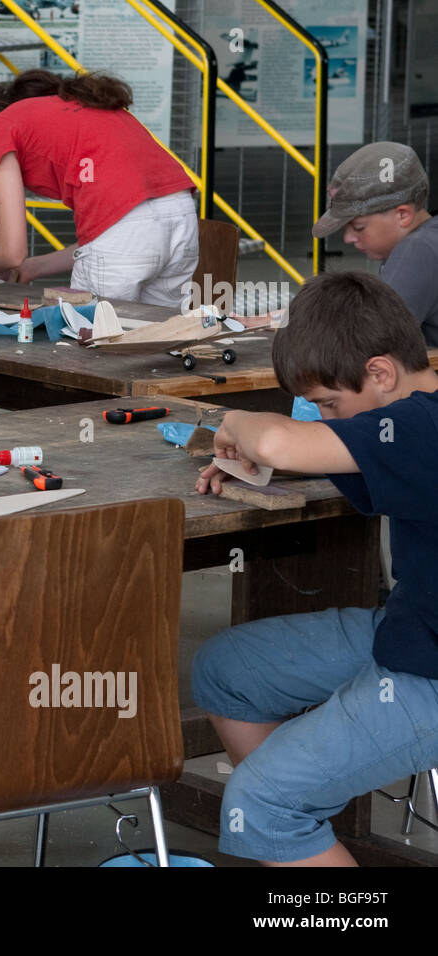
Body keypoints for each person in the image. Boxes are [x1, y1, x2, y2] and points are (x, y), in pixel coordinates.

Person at [193, 271, 438, 866]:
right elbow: (364, 452)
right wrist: (272, 458)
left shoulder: (418, 426)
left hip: (430, 667)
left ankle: (286, 818)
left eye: (329, 404)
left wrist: (238, 428)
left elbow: (278, 441)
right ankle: (303, 830)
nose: (325, 417)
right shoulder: (411, 412)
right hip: (414, 628)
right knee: (229, 670)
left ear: (381, 372)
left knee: (262, 804)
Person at [0, 69, 198, 307]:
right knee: (162, 338)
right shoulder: (66, 108)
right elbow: (126, 229)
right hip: (182, 217)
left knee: (93, 343)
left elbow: (11, 251)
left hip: (130, 234)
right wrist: (35, 267)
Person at [311, 141, 438, 345]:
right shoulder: (430, 237)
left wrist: (294, 322)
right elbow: (363, 311)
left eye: (359, 227)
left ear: (403, 215)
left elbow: (370, 339)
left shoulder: (418, 249)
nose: (348, 238)